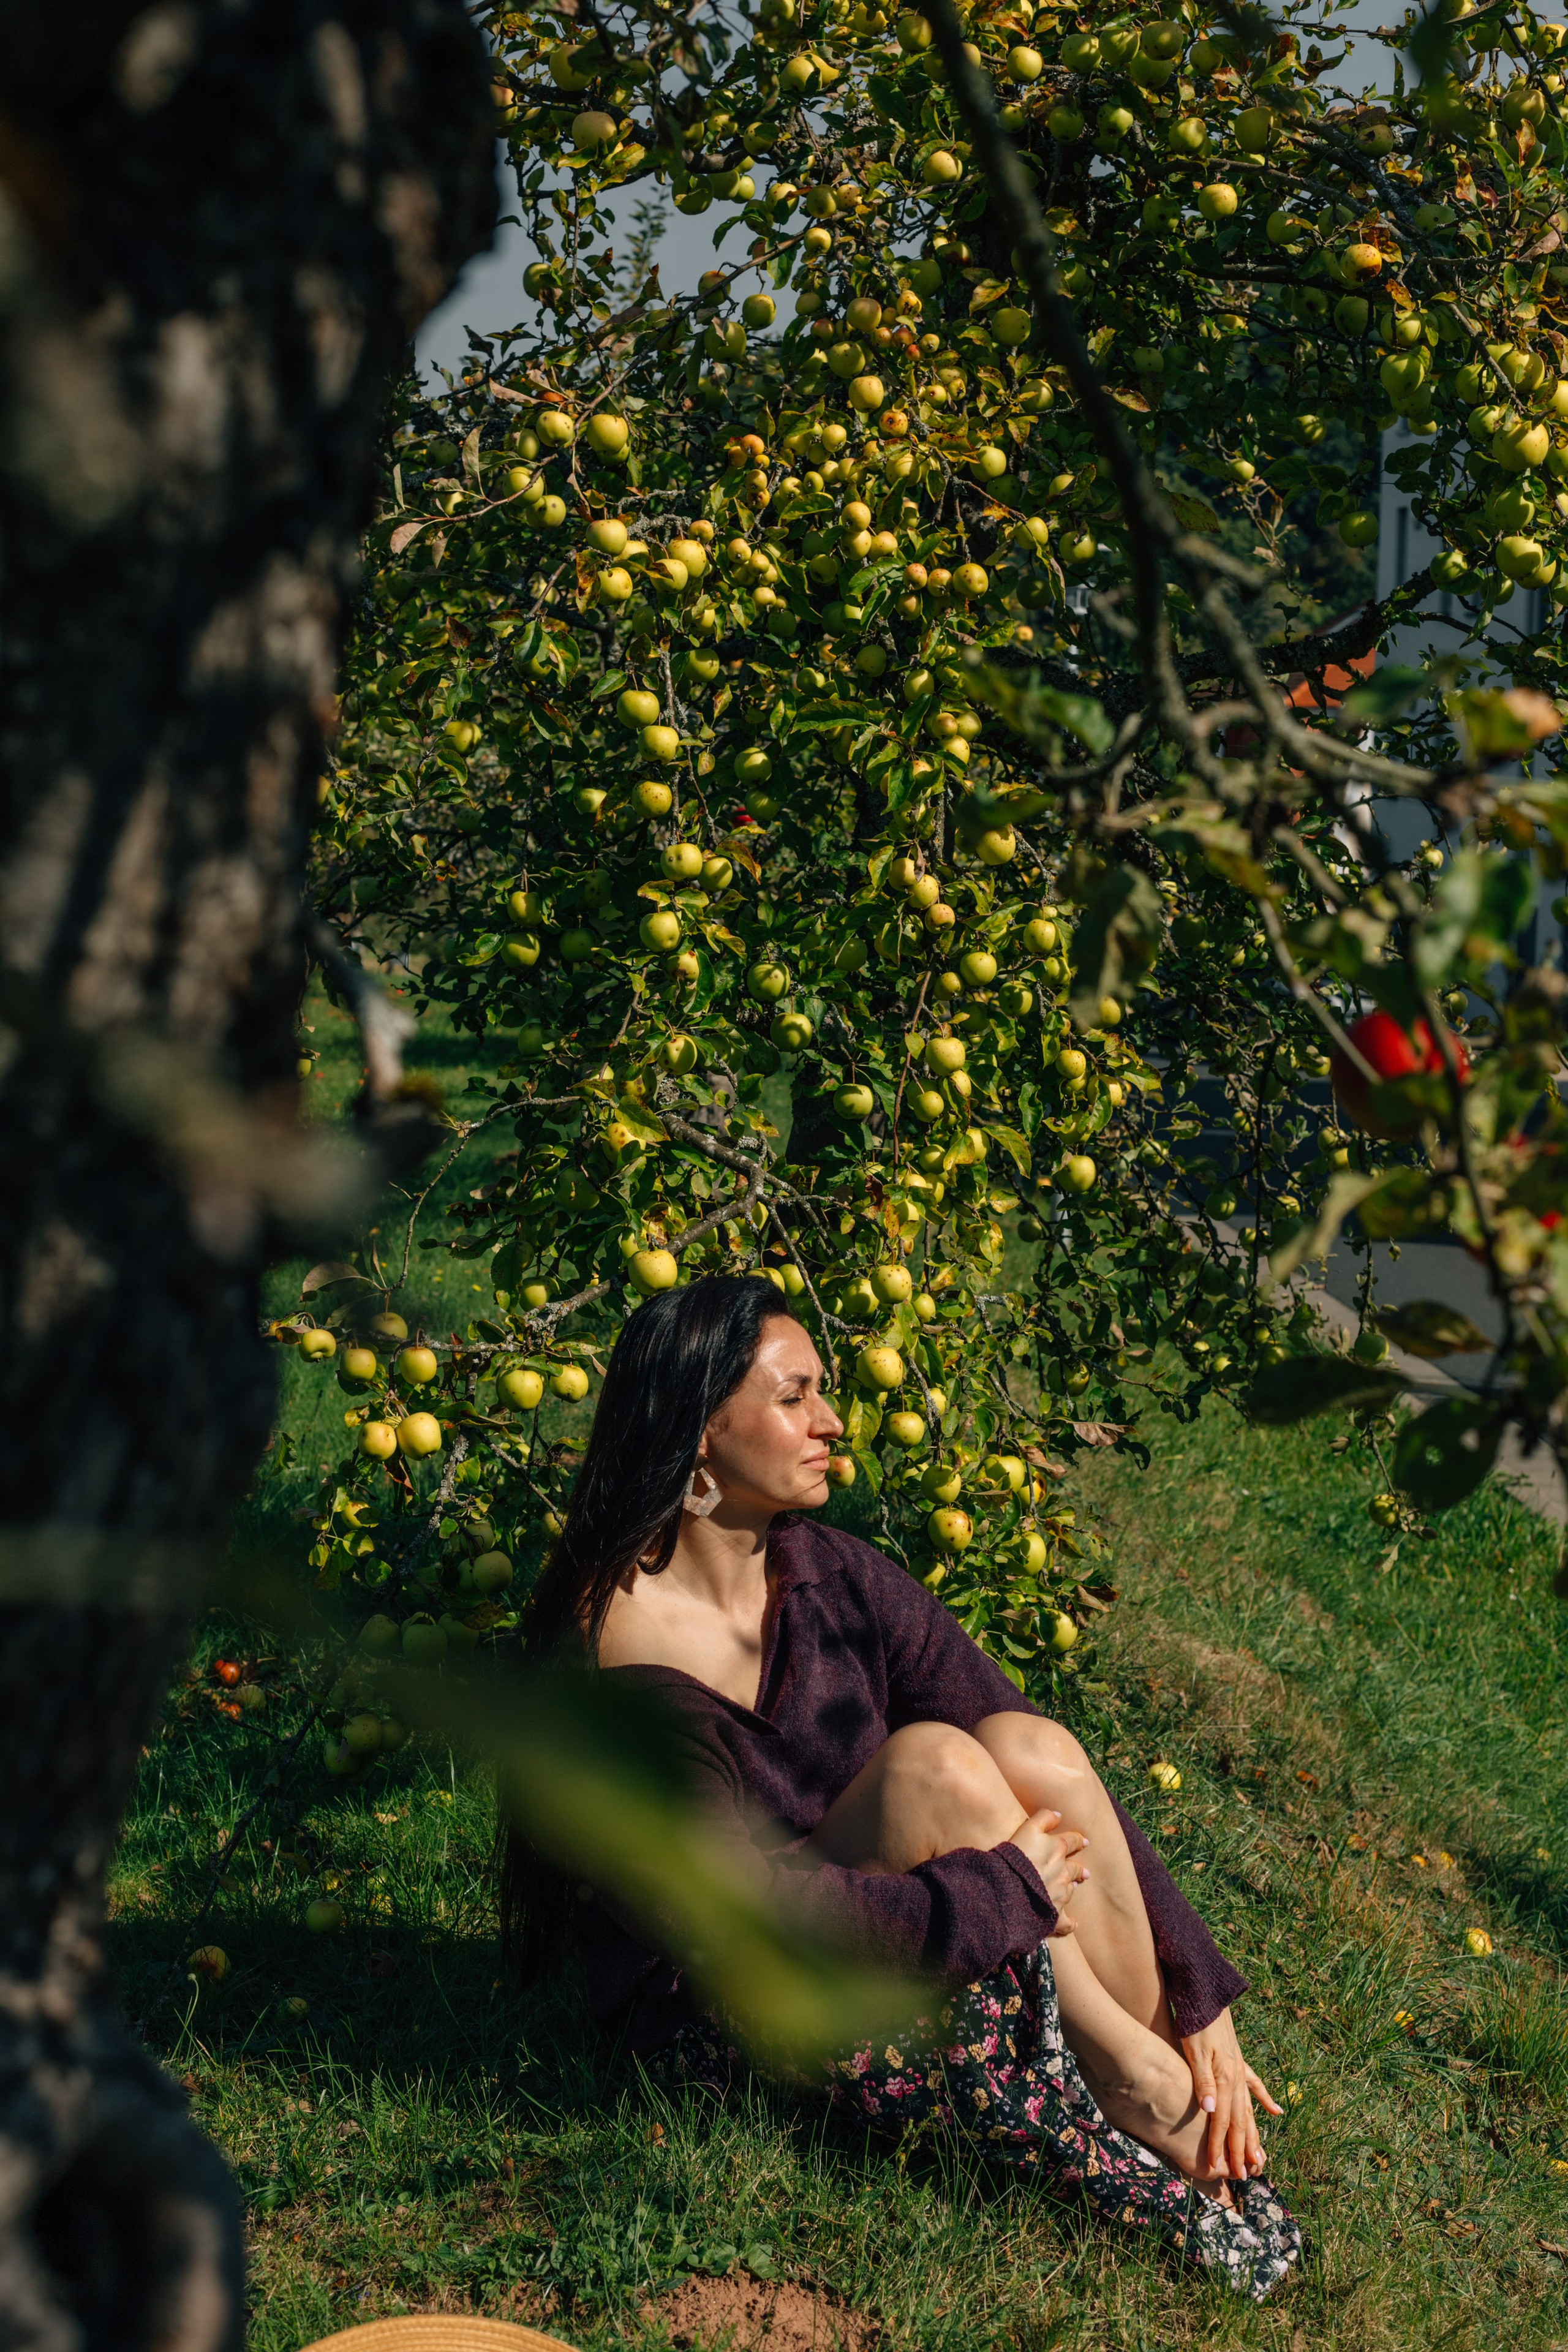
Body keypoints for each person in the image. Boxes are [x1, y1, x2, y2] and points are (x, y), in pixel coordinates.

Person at [500, 1275, 1300, 2298]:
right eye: (795, 1398)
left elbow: (1040, 1752)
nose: (833, 1423)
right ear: (699, 1427)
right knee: (938, 1769)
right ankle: (1139, 2090)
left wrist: (1203, 1996)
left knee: (1031, 1744)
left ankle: (1146, 2065)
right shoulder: (607, 1661)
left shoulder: (832, 1574)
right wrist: (998, 1890)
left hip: (870, 1912)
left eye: (824, 1392)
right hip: (716, 1999)